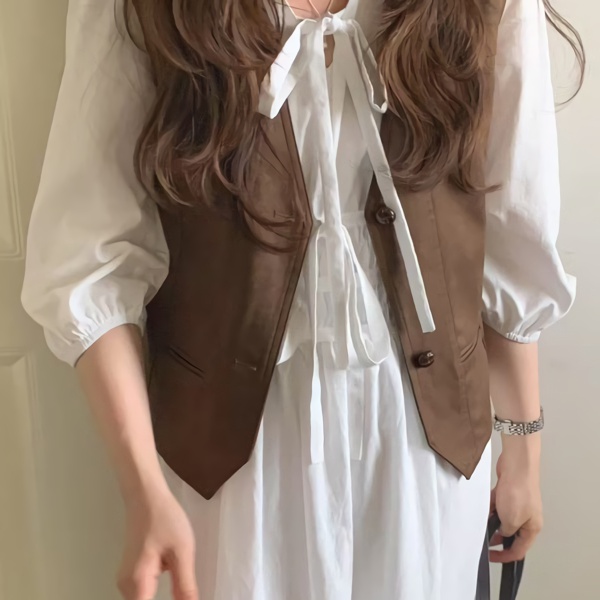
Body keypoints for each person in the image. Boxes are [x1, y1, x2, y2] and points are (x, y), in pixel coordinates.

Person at [21, 0, 584, 599]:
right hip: (235, 463)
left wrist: (523, 447)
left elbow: (511, 229)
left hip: (431, 447)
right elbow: (93, 261)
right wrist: (143, 491)